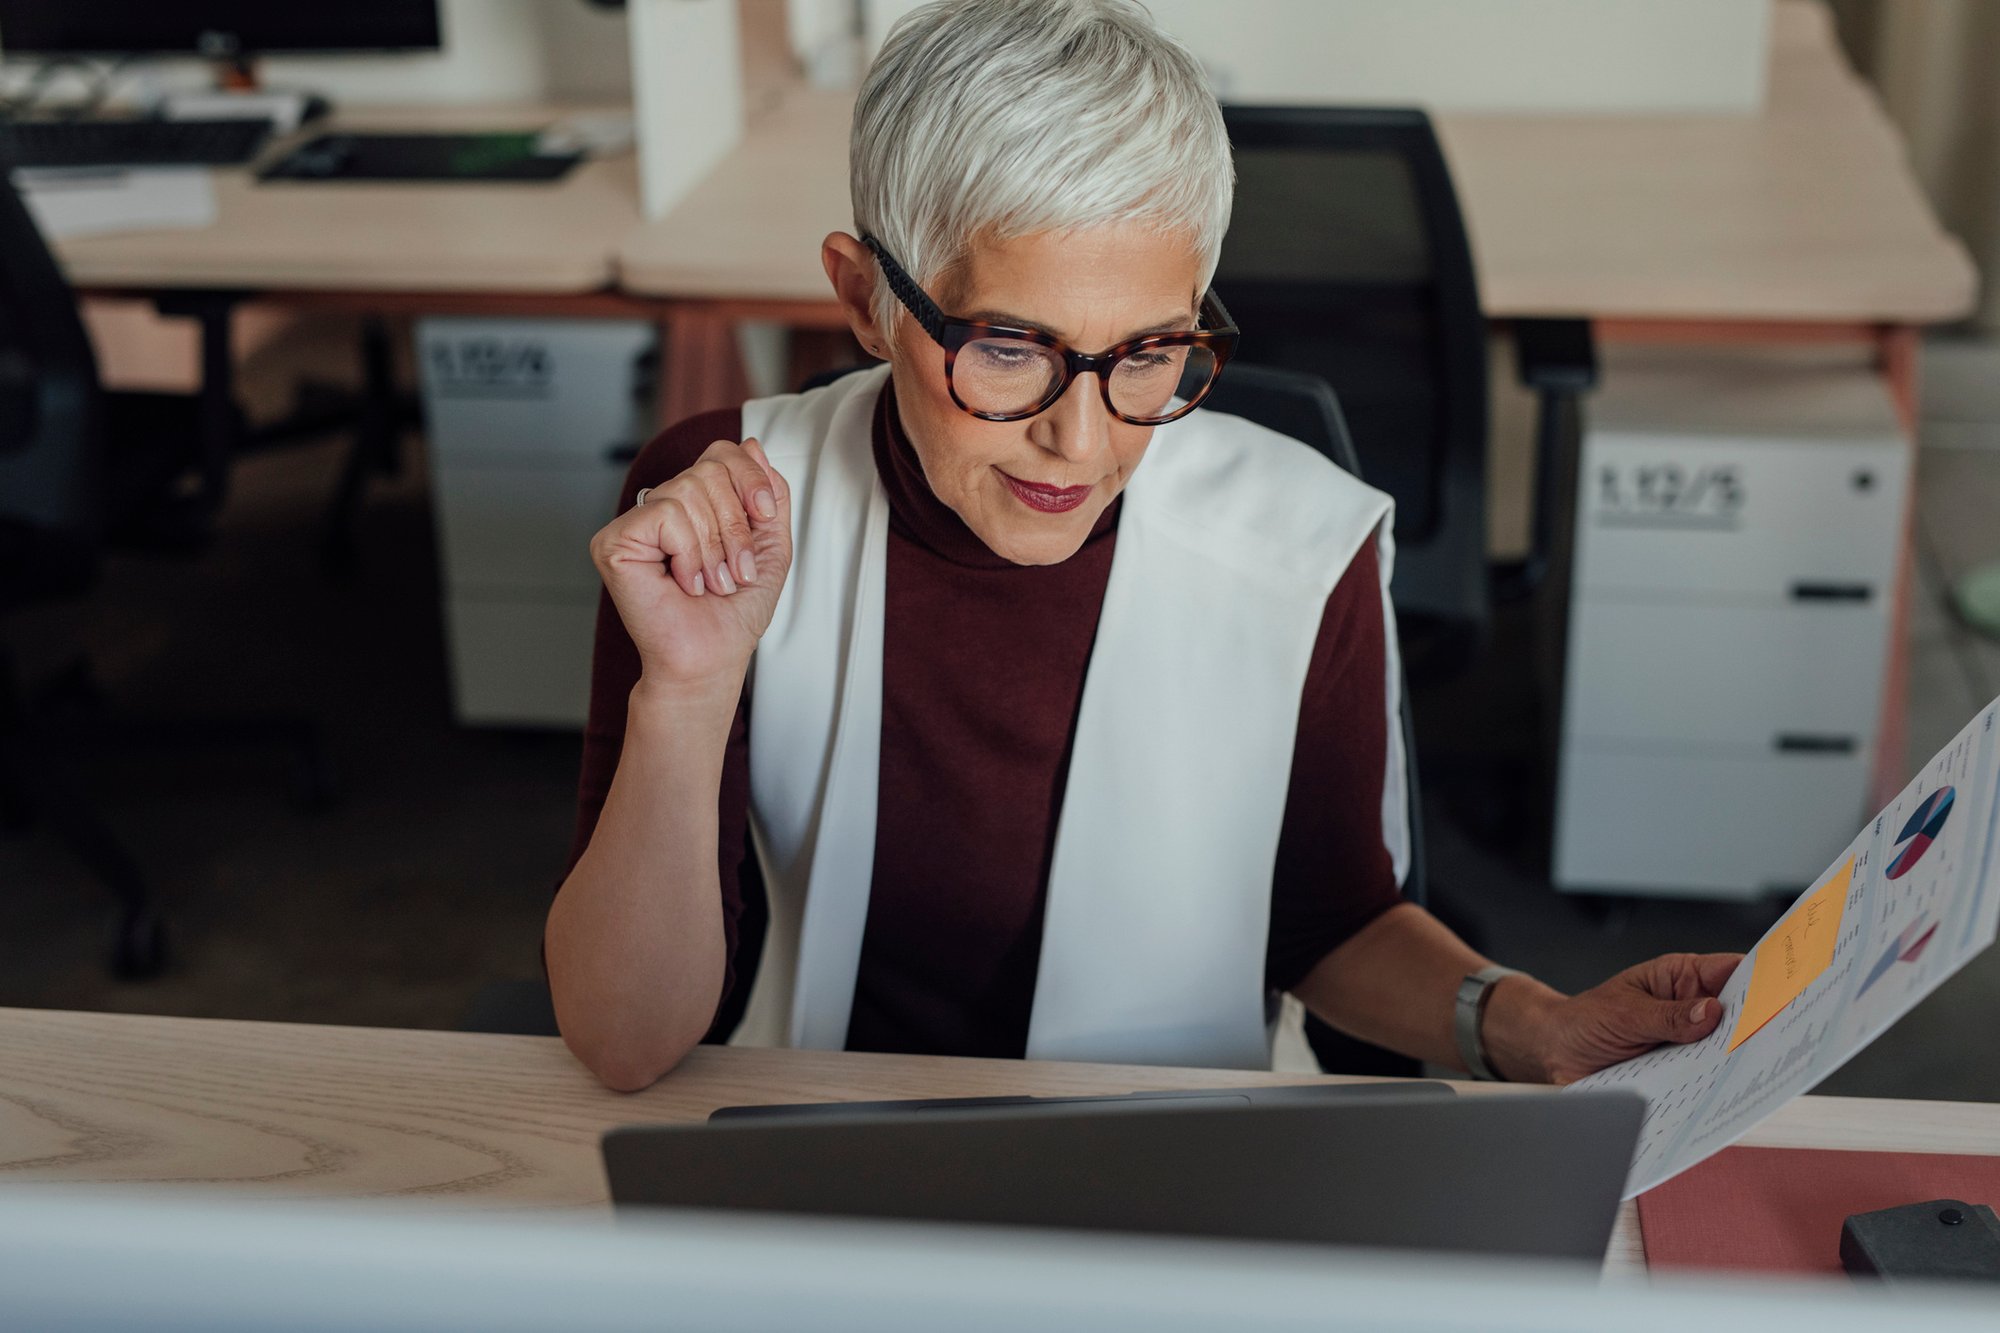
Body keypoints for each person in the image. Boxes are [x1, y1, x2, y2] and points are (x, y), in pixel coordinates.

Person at [545, 0, 1740, 1092]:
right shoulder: (719, 513)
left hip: (1179, 1154)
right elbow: (625, 1039)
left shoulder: (1300, 544)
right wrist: (688, 694)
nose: (1079, 438)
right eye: (1009, 348)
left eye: (1147, 354)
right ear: (864, 301)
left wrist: (1532, 1023)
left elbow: (1327, 922)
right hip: (823, 1132)